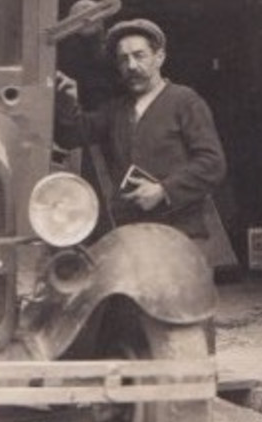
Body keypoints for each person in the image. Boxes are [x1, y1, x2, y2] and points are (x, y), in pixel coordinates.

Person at [53, 18, 231, 262]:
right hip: (132, 238)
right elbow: (74, 135)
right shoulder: (116, 109)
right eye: (123, 59)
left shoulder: (185, 101)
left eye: (139, 55)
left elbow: (212, 164)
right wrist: (69, 102)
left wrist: (163, 190)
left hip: (179, 238)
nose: (132, 65)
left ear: (159, 58)